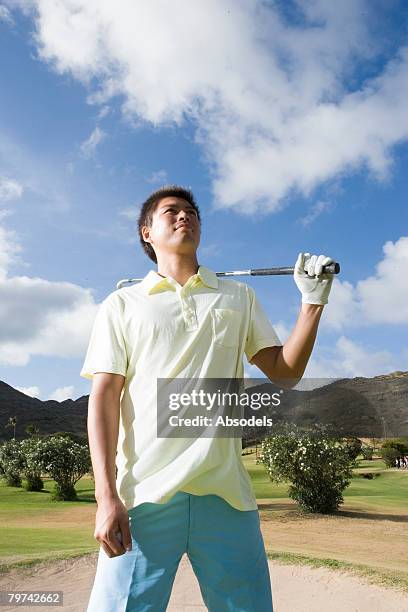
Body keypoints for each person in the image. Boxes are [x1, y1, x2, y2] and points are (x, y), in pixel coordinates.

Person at [81, 184, 335, 611]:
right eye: (171, 211)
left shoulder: (238, 296)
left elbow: (285, 372)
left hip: (226, 496)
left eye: (191, 212)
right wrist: (107, 497)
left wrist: (312, 301)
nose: (185, 217)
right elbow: (103, 399)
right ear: (147, 232)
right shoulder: (120, 305)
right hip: (144, 496)